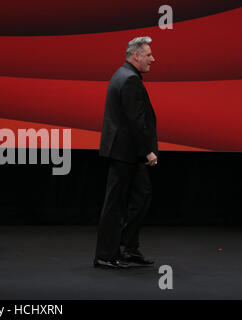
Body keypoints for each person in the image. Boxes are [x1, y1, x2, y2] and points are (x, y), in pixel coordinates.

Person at [94, 36, 158, 269]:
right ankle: (105, 255)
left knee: (141, 196)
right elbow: (135, 121)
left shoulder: (124, 74)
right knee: (115, 204)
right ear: (136, 56)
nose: (153, 58)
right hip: (125, 153)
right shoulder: (129, 79)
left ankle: (128, 248)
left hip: (128, 153)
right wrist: (148, 151)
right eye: (149, 54)